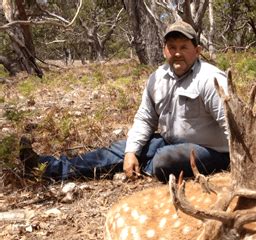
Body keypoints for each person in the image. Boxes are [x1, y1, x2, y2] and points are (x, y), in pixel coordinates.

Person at [20, 21, 229, 182]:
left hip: (213, 151)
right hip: (170, 141)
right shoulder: (158, 78)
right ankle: (47, 168)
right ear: (164, 49)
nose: (177, 53)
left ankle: (145, 167)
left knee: (165, 159)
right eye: (172, 47)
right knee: (118, 151)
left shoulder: (211, 79)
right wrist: (131, 153)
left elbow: (233, 127)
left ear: (197, 50)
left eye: (184, 47)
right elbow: (145, 118)